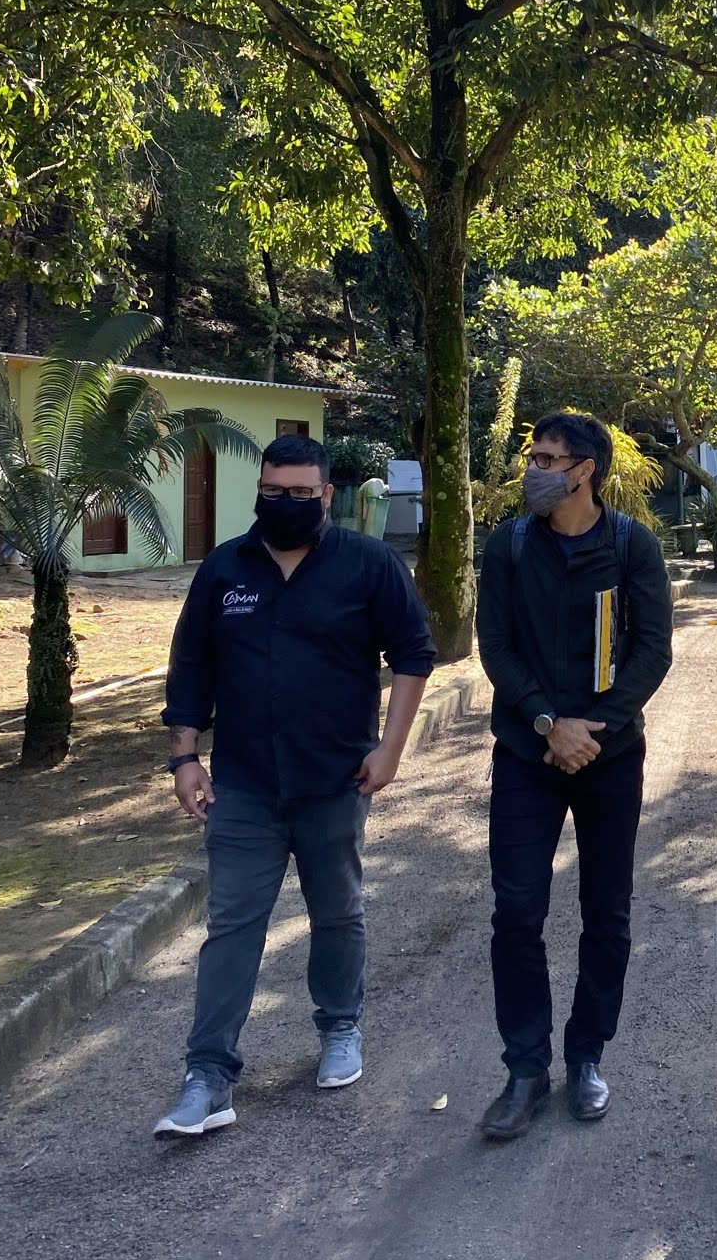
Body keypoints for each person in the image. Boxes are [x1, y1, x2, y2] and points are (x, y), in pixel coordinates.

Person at [153, 434, 435, 1138]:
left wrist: (390, 748)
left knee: (336, 912)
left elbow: (413, 655)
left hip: (334, 779)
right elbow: (192, 665)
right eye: (274, 492)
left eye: (301, 493)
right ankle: (207, 1076)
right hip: (244, 785)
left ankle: (340, 1027)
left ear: (326, 495)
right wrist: (184, 757)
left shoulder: (368, 564)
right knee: (232, 928)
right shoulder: (224, 569)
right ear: (260, 491)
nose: (286, 503)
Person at [475, 411, 674, 1140]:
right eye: (532, 456)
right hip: (525, 756)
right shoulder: (509, 544)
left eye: (547, 459)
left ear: (585, 470)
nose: (533, 469)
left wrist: (594, 729)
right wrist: (545, 722)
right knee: (516, 913)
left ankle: (586, 1055)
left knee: (606, 912)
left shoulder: (630, 545)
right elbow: (495, 645)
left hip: (608, 758)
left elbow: (652, 650)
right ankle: (525, 1069)